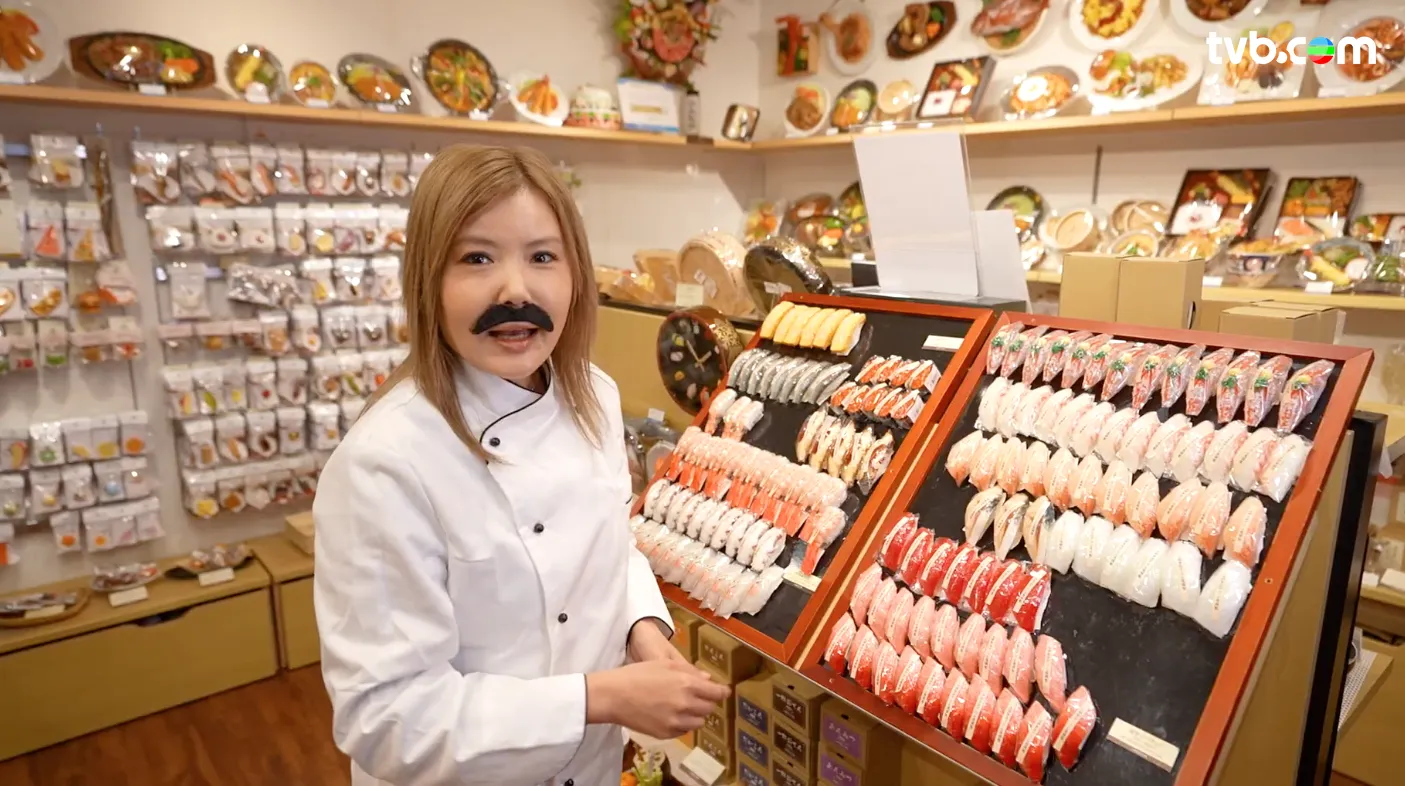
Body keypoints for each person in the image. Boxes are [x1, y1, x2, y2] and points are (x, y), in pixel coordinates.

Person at [313, 143, 730, 786]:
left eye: (542, 257)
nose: (516, 290)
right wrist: (601, 698)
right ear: (428, 280)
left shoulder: (593, 395)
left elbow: (608, 545)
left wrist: (643, 628)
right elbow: (388, 719)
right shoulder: (384, 464)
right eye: (477, 258)